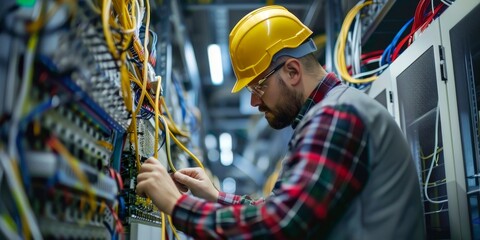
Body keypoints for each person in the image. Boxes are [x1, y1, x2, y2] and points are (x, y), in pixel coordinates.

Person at [136, 5, 425, 239]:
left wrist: (177, 205)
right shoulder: (330, 112)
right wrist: (215, 196)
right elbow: (289, 209)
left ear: (291, 71)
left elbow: (282, 224)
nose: (254, 101)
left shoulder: (336, 115)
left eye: (258, 87)